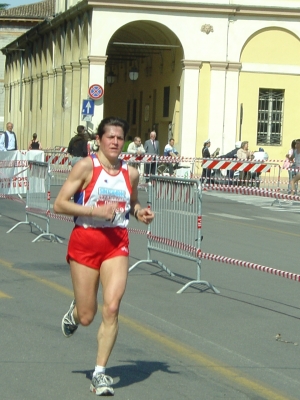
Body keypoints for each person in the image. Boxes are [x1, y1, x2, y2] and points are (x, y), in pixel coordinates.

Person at [53, 116, 154, 396]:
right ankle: (76, 312)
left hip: (116, 243)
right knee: (88, 316)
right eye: (109, 137)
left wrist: (139, 213)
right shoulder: (86, 167)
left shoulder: (131, 173)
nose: (114, 142)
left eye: (119, 138)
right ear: (98, 140)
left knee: (111, 307)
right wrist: (93, 211)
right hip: (85, 242)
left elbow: (131, 202)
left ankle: (100, 374)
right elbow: (59, 204)